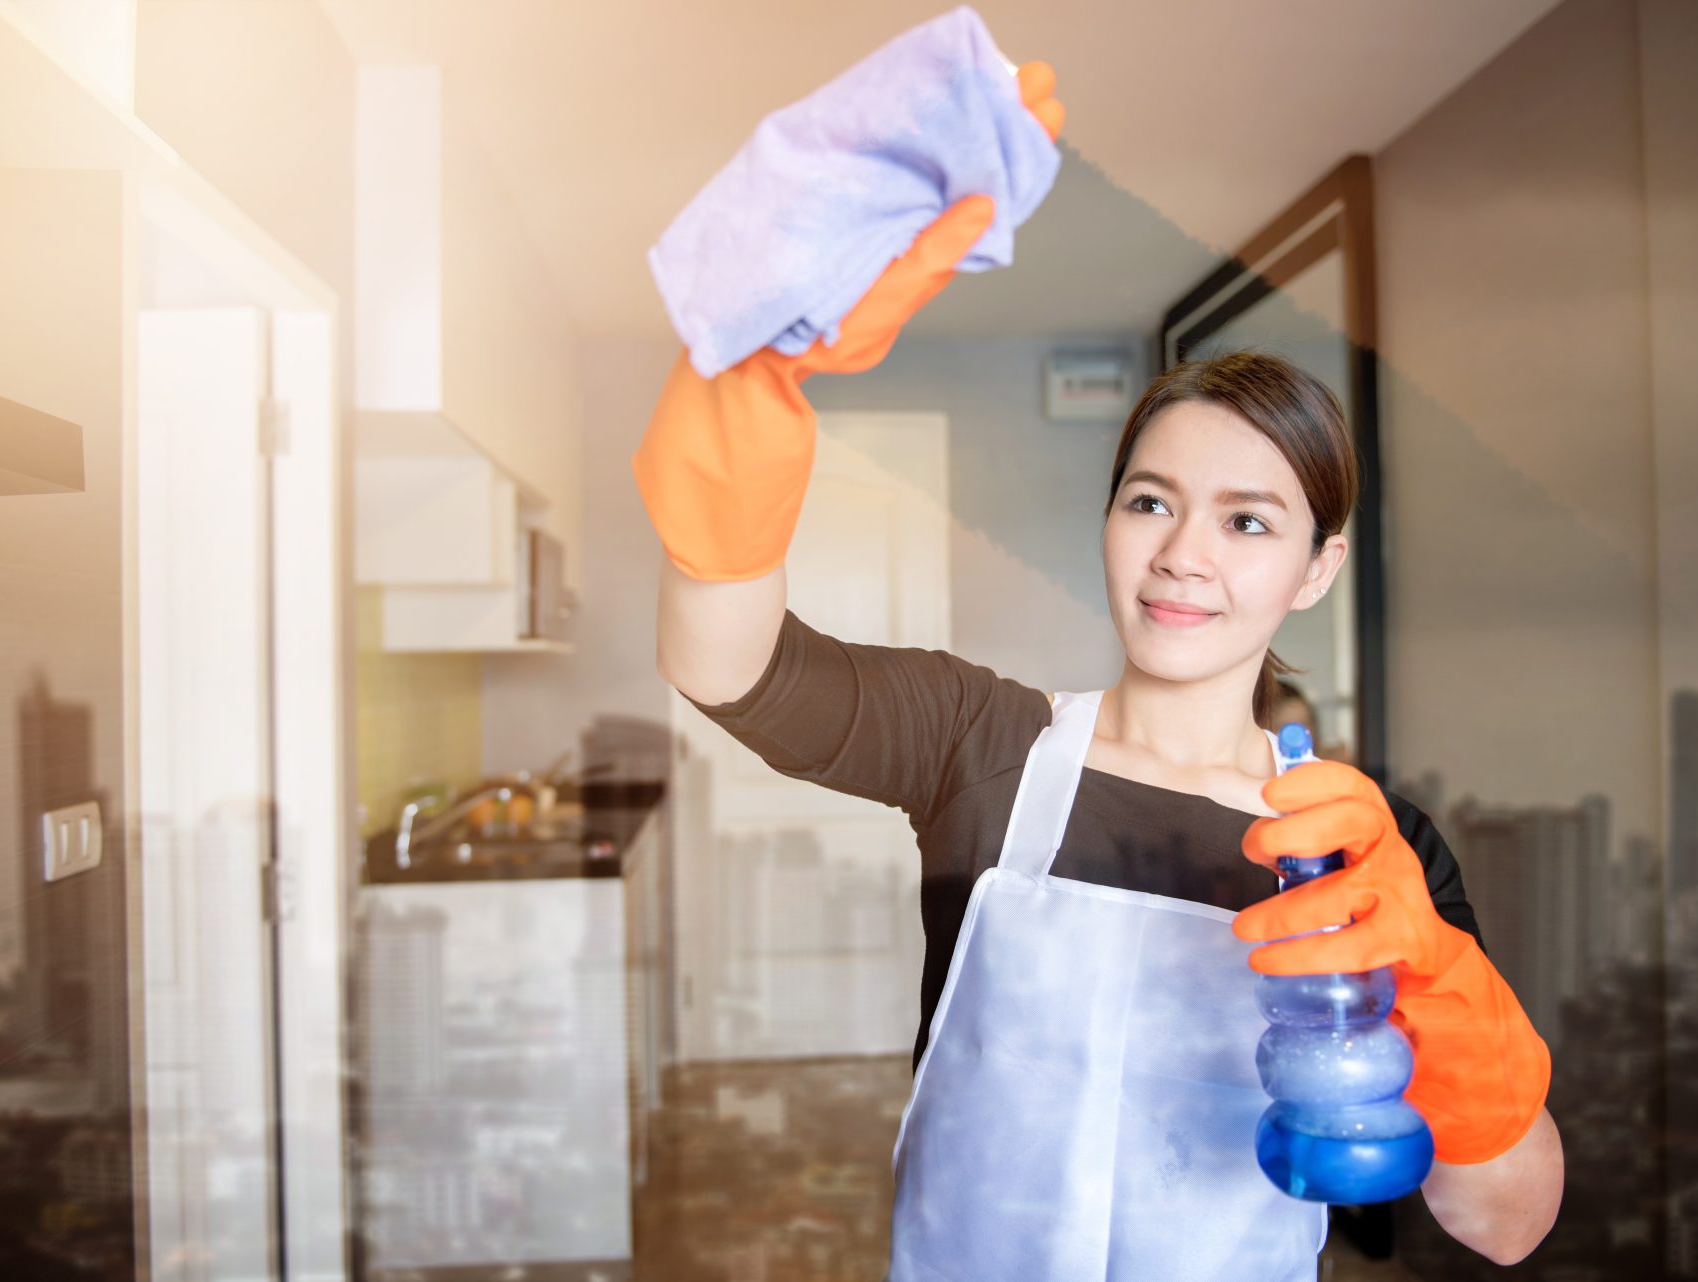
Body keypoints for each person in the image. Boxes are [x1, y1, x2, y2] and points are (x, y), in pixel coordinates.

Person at [635, 64, 1560, 1282]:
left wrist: (1429, 972)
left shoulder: (1370, 860)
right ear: (1111, 519)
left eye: (1248, 521)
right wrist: (748, 392)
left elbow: (1506, 1217)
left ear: (1318, 569)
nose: (1182, 555)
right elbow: (730, 664)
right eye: (1151, 501)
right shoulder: (984, 745)